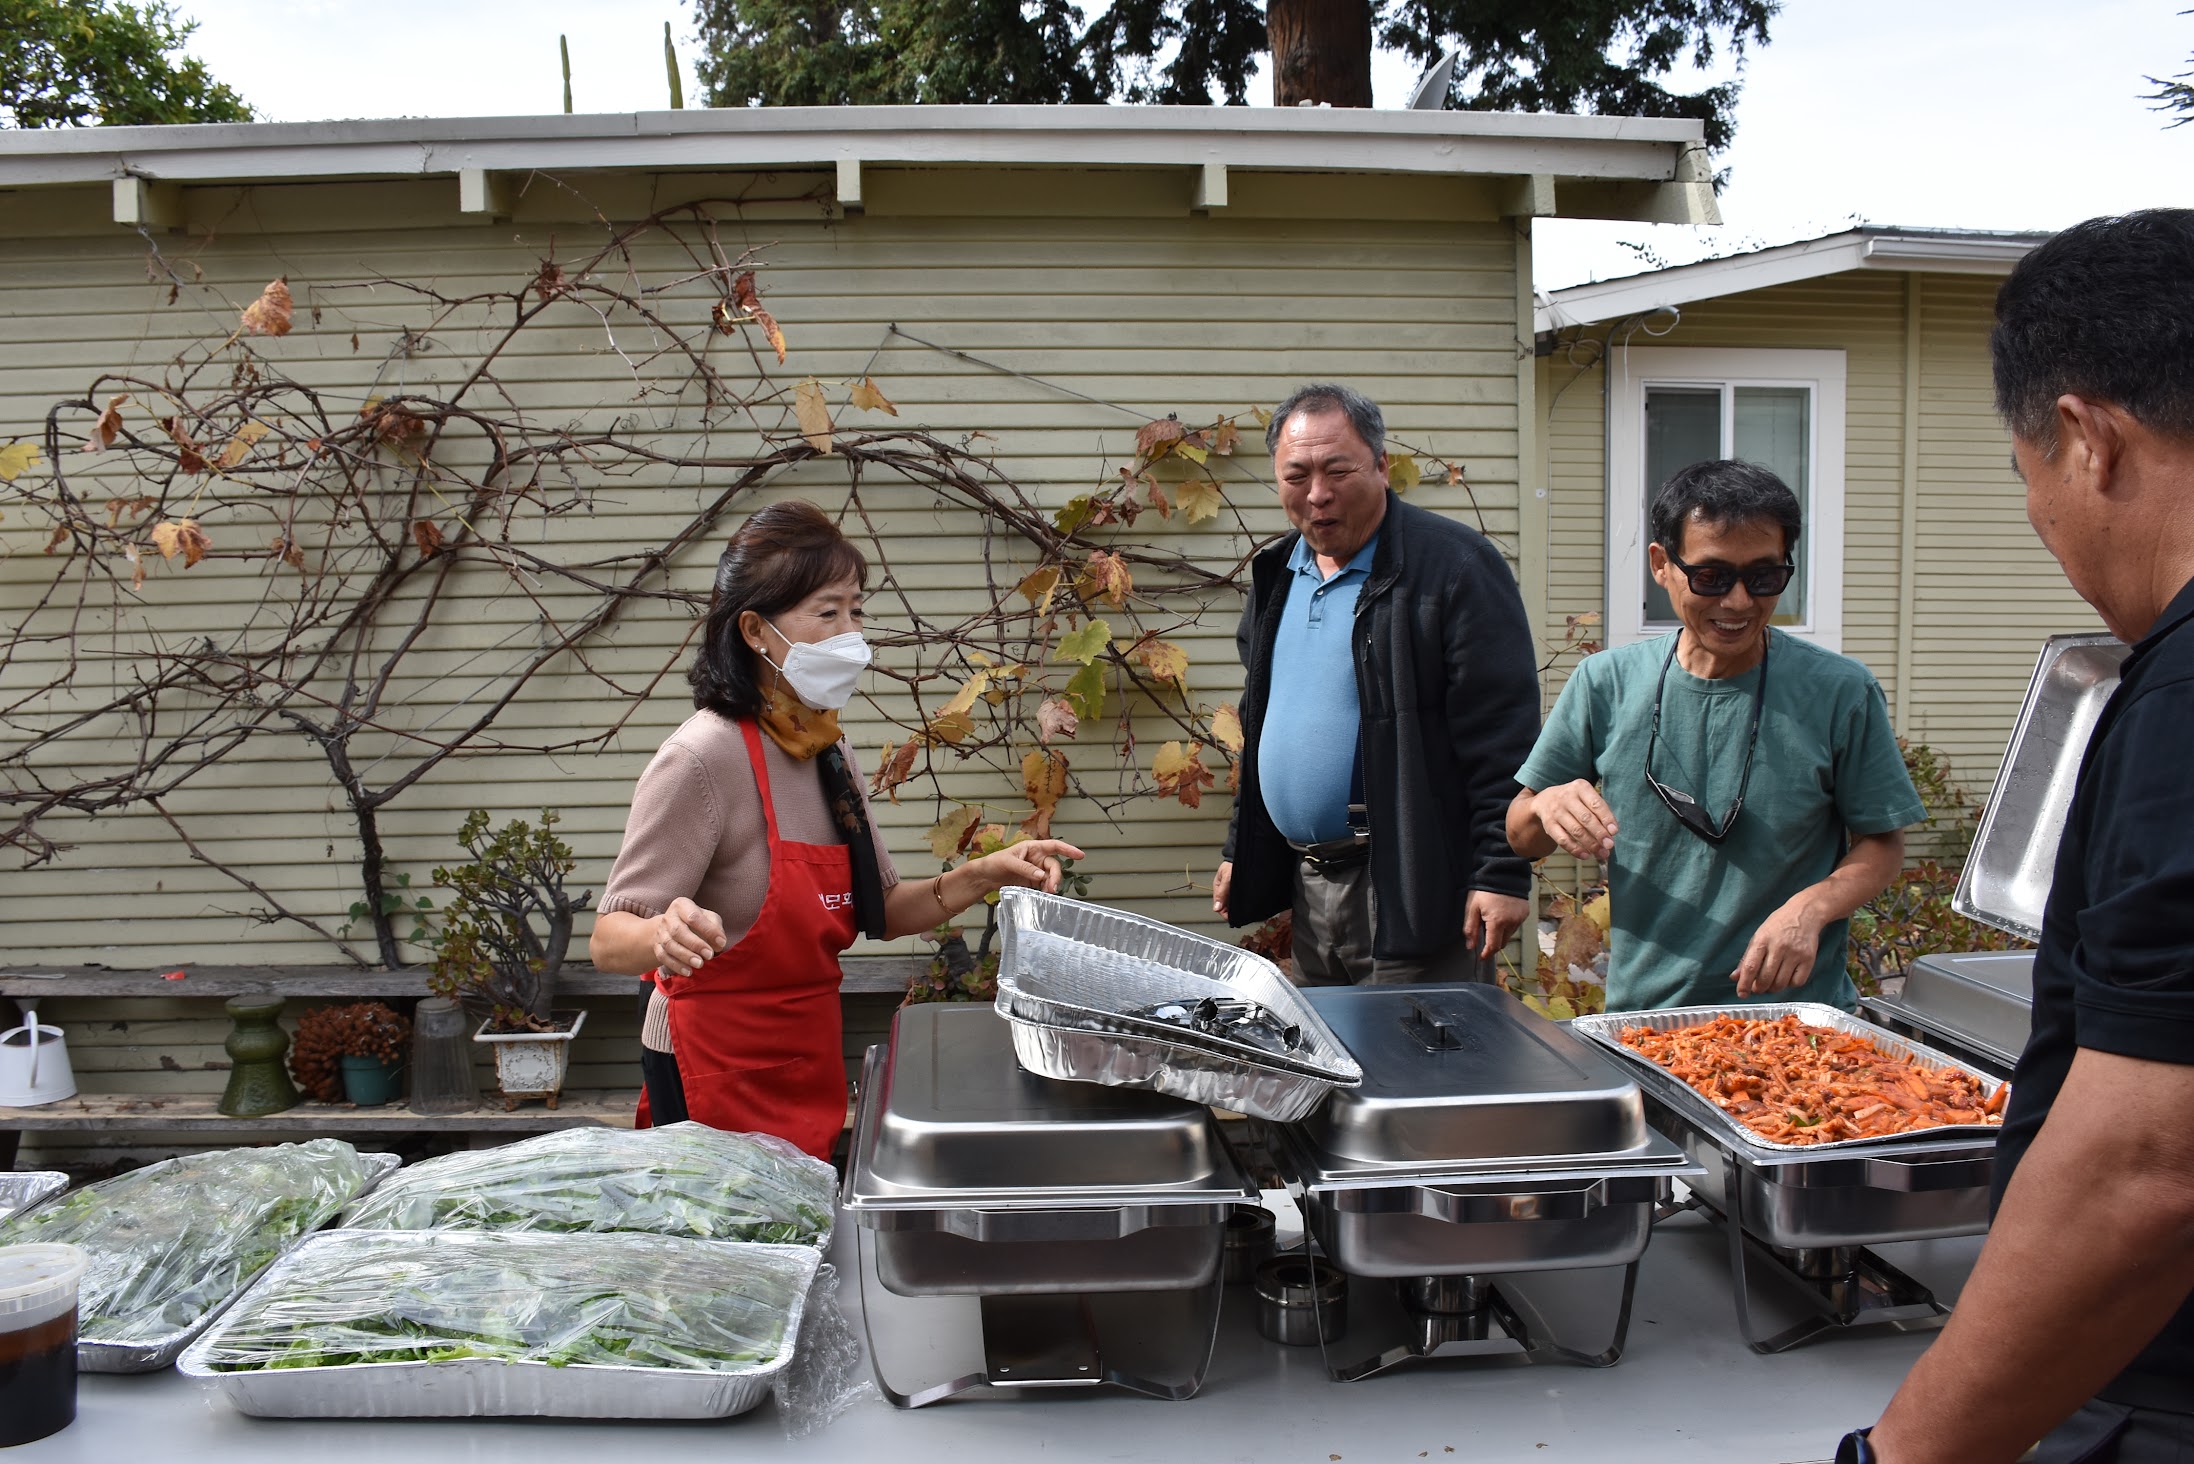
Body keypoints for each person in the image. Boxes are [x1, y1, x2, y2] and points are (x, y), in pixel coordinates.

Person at [1847, 211, 2194, 1464]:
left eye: (2025, 470)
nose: (2041, 516)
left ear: (2088, 439)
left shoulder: (2181, 694)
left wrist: (1904, 1453)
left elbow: (2146, 1168)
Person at [590, 501, 1082, 1160]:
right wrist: (661, 934)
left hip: (806, 1054)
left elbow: (881, 908)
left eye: (857, 610)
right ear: (756, 631)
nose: (851, 632)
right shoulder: (702, 757)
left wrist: (985, 873)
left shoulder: (826, 751)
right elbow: (608, 939)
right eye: (827, 612)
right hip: (712, 1064)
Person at [1507, 459, 1924, 1012]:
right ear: (1662, 564)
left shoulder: (1840, 691)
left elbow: (1883, 844)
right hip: (1646, 1020)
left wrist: (1813, 908)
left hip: (1797, 1020)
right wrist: (1548, 804)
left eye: (1764, 577)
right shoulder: (1604, 683)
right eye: (1711, 576)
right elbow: (1519, 834)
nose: (1738, 602)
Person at [1212, 383, 1541, 985]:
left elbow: (1504, 735)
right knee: (1328, 1069)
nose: (1318, 494)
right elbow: (1261, 722)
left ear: (1382, 467)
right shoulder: (1276, 574)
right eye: (1296, 475)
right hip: (1309, 886)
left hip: (1411, 883)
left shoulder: (1454, 568)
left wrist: (1500, 871)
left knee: (1418, 1070)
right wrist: (1242, 846)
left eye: (1339, 470)